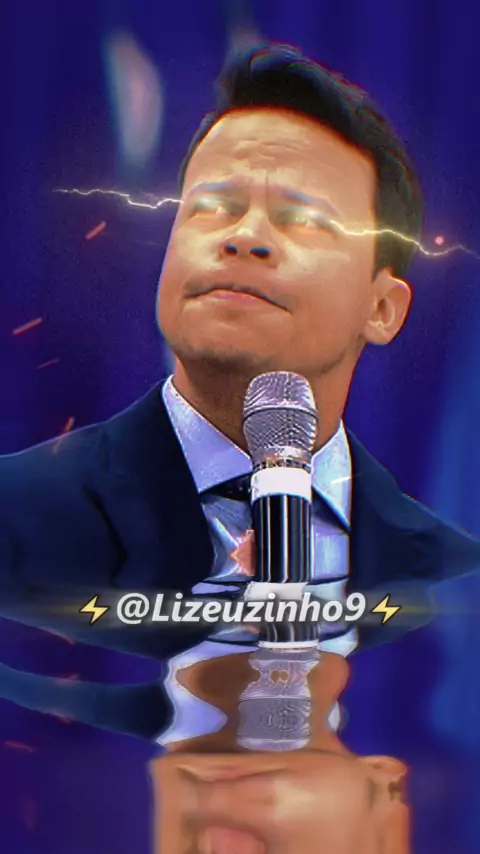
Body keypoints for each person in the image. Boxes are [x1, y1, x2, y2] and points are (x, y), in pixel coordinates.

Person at [0, 43, 478, 741]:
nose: (246, 236)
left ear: (383, 308)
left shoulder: (447, 579)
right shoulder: (15, 519)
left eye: (304, 220)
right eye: (212, 207)